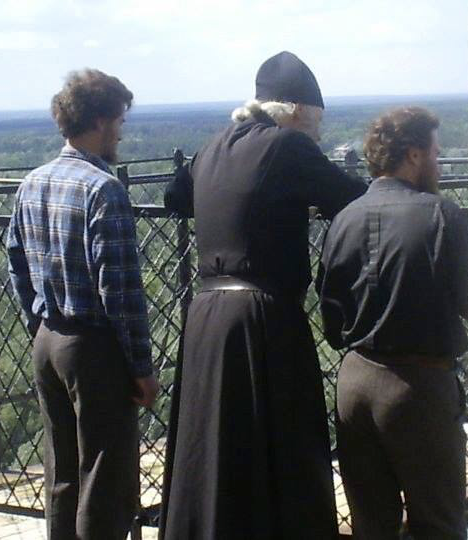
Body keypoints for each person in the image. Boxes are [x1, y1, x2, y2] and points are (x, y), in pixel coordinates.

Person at [159, 51, 368, 540]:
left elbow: (174, 199)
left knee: (213, 448)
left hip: (207, 316)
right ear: (297, 111)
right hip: (262, 318)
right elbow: (351, 196)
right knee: (281, 450)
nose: (318, 135)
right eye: (317, 123)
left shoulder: (211, 147)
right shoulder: (288, 147)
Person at [6, 68, 159, 540]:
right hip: (94, 348)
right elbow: (120, 290)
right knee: (104, 480)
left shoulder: (33, 182)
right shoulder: (103, 189)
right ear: (99, 121)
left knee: (63, 476)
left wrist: (39, 324)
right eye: (119, 121)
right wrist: (140, 366)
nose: (121, 132)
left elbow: (16, 263)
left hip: (48, 340)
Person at [316, 106, 468, 539]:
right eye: (435, 153)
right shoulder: (442, 215)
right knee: (438, 524)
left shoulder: (343, 219)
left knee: (371, 525)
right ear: (414, 155)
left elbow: (331, 318)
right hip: (419, 386)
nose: (438, 163)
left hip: (355, 385)